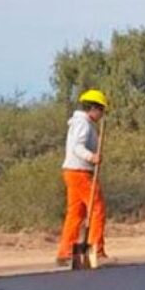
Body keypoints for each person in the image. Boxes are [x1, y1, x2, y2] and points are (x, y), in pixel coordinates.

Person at [56, 90, 108, 267]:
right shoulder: (83, 124)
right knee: (97, 209)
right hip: (80, 171)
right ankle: (96, 251)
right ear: (93, 108)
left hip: (73, 172)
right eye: (101, 110)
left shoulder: (81, 123)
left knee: (76, 213)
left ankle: (66, 252)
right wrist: (91, 157)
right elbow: (77, 147)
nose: (102, 115)